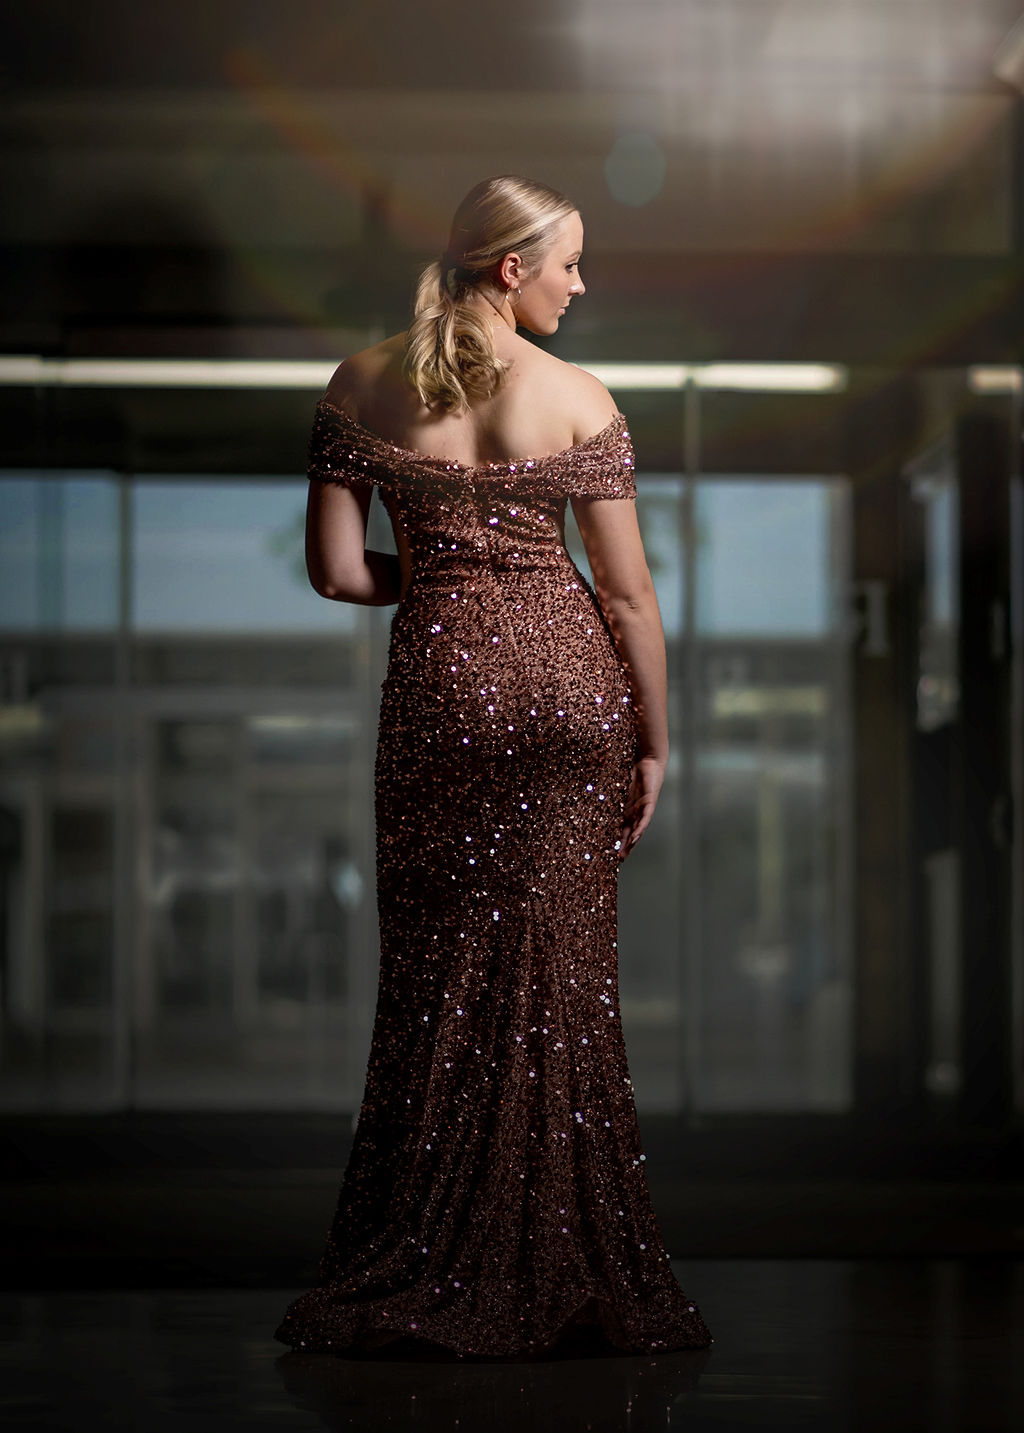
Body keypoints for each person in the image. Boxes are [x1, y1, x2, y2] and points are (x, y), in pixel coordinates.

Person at [273, 175, 710, 1359]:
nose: (582, 282)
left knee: (436, 975)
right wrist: (657, 740)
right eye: (570, 262)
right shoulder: (575, 396)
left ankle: (425, 1255)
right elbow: (626, 596)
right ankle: (563, 1256)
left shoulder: (360, 382)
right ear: (510, 268)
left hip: (441, 693)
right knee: (562, 976)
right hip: (573, 694)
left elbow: (334, 572)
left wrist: (458, 587)